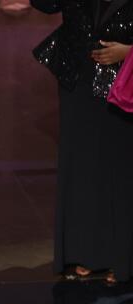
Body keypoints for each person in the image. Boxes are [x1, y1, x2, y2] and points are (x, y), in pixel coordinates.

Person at [31, 0, 133, 284]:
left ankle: (121, 257)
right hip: (78, 72)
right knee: (83, 164)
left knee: (119, 167)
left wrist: (129, 52)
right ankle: (87, 253)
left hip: (124, 75)